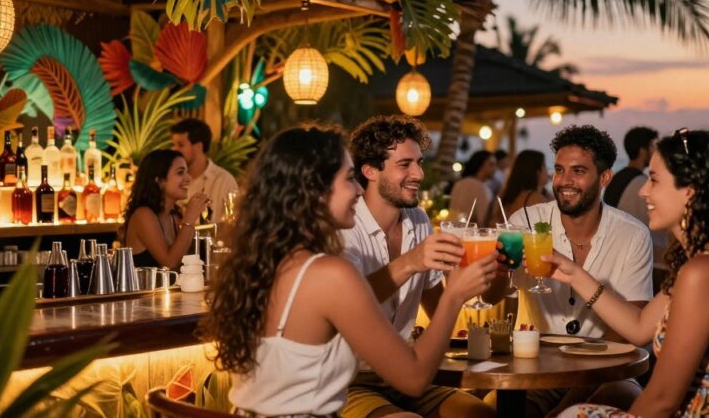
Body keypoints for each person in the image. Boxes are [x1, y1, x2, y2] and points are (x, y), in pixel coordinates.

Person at [199, 124, 498, 417]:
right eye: (349, 178)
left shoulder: (271, 260)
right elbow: (415, 376)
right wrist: (455, 295)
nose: (358, 189)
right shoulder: (329, 273)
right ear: (314, 189)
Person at [557, 129, 709, 417]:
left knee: (573, 414)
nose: (643, 190)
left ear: (690, 190)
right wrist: (573, 274)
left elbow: (663, 399)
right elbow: (639, 326)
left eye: (654, 180)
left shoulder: (703, 273)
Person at [483, 125, 653, 416]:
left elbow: (629, 330)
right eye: (559, 170)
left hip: (608, 371)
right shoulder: (524, 222)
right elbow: (490, 298)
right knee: (490, 409)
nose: (564, 181)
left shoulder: (632, 234)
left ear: (605, 178)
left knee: (622, 396)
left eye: (578, 171)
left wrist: (570, 401)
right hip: (536, 367)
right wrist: (499, 270)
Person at [342, 115, 496, 418]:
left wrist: (470, 287)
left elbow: (434, 301)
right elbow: (347, 304)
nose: (418, 174)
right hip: (350, 380)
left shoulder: (418, 221)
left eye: (420, 163)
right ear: (370, 170)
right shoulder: (347, 224)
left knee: (481, 414)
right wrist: (411, 262)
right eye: (405, 165)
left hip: (405, 371)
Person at [119, 149, 209, 270]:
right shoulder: (143, 215)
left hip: (172, 289)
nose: (188, 178)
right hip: (146, 288)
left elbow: (186, 260)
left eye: (187, 172)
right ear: (159, 181)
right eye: (180, 172)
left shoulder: (175, 215)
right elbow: (169, 264)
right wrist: (190, 218)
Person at [604, 127, 669, 283]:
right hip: (644, 268)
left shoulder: (616, 179)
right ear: (643, 151)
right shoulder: (640, 184)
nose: (655, 151)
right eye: (652, 146)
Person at [171, 118, 239, 223]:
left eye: (180, 145)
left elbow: (232, 224)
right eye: (173, 145)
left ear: (198, 146)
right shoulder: (172, 180)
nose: (174, 150)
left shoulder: (223, 180)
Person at [490, 149, 550, 226]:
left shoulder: (507, 195)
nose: (548, 171)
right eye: (545, 166)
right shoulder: (536, 199)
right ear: (537, 172)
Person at [448, 150, 497, 227]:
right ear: (480, 165)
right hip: (470, 233)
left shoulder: (459, 183)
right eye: (491, 164)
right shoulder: (482, 189)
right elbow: (483, 221)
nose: (495, 169)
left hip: (452, 229)